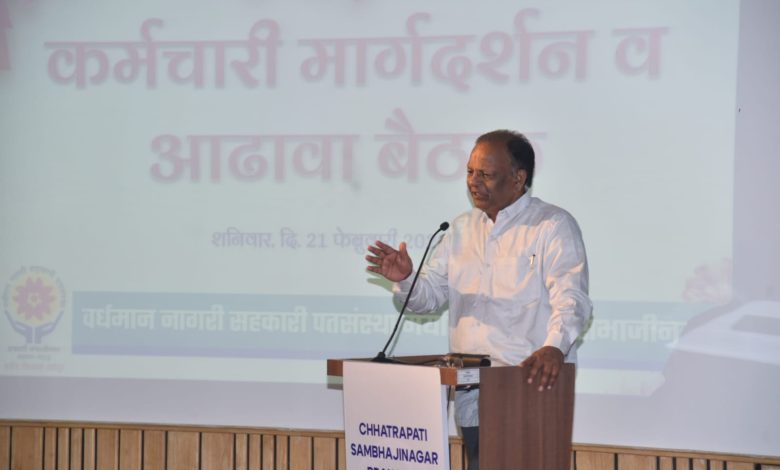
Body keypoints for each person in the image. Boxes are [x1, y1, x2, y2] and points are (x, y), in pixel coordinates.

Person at [366, 129, 592, 469]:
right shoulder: (460, 229)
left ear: (518, 178)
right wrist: (406, 278)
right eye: (470, 172)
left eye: (485, 174)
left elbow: (571, 297)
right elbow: (429, 299)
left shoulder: (552, 225)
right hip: (471, 389)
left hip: (528, 387)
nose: (474, 181)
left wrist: (554, 347)